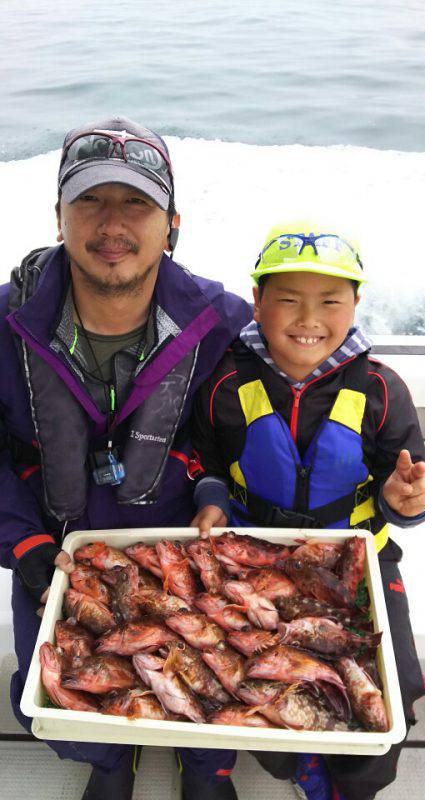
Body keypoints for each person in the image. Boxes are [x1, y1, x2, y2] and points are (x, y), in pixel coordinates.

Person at [0, 115, 252, 800]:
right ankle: (112, 762)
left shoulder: (221, 324)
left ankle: (209, 766)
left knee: (224, 667)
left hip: (180, 543)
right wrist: (19, 540)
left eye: (136, 203)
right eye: (90, 200)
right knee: (56, 705)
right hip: (56, 549)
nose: (113, 224)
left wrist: (396, 480)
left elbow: (262, 425)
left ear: (173, 222)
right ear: (58, 217)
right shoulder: (4, 327)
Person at [189, 221, 425, 800]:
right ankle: (289, 761)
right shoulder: (224, 381)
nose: (308, 319)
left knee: (393, 686)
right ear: (256, 302)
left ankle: (355, 784)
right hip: (252, 556)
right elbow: (201, 463)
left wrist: (408, 503)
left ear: (355, 305)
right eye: (287, 300)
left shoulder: (381, 388)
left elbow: (410, 487)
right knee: (236, 672)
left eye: (330, 301)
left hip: (358, 559)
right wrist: (212, 495)